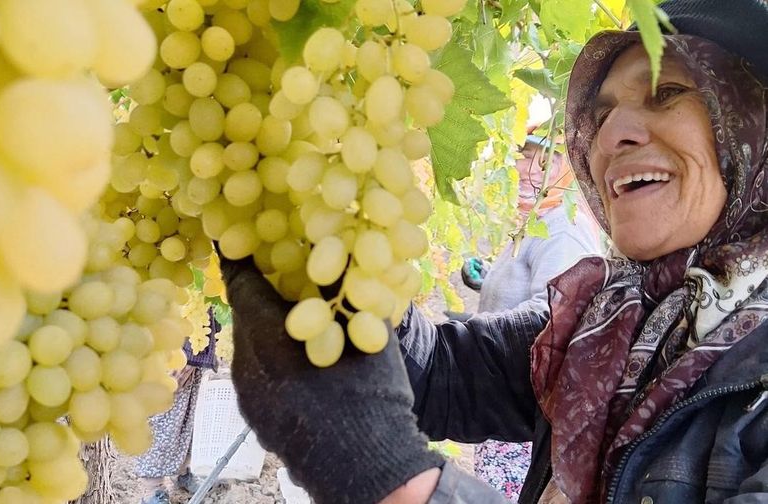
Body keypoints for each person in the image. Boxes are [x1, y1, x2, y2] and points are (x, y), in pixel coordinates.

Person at [218, 0, 768, 502]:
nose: (608, 137)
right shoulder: (601, 323)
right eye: (599, 116)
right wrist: (341, 282)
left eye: (666, 93)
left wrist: (399, 483)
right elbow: (440, 376)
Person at [465, 136, 602, 499]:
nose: (528, 170)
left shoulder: (564, 230)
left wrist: (467, 337)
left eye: (545, 161)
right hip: (500, 401)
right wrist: (485, 282)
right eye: (523, 157)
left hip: (520, 420)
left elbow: (555, 317)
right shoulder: (538, 221)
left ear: (567, 170)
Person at [135, 308, 219, 504]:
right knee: (161, 419)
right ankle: (153, 490)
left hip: (193, 344)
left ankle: (183, 472)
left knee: (188, 418)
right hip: (170, 348)